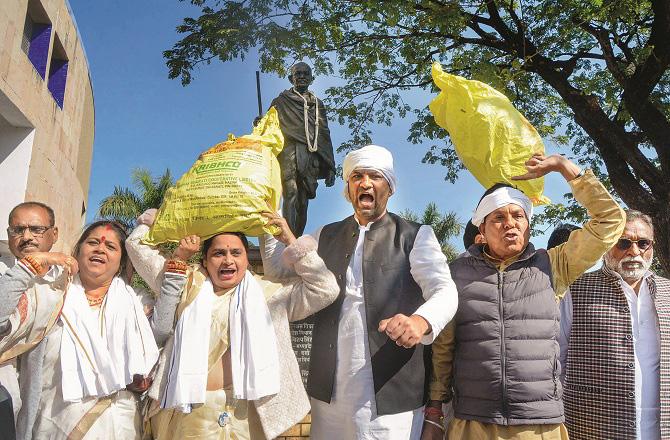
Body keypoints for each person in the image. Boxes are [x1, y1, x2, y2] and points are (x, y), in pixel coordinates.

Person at [423, 154, 625, 440]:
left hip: (539, 425)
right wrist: (434, 410)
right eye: (498, 218)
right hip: (473, 423)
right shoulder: (456, 272)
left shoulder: (553, 264)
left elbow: (611, 220)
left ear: (529, 224)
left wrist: (565, 168)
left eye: (518, 216)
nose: (510, 224)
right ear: (482, 228)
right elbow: (444, 346)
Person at [262, 144, 459, 439]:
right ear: (349, 188)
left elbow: (445, 290)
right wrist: (266, 222)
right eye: (357, 177)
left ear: (389, 187)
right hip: (328, 396)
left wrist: (420, 321)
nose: (365, 183)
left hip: (392, 399)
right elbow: (278, 270)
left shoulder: (414, 236)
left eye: (374, 176)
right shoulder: (323, 235)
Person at [125, 209, 339, 439]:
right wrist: (153, 222)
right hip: (188, 414)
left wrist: (290, 240)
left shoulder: (269, 295)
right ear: (205, 262)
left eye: (236, 253)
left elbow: (325, 289)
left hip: (245, 417)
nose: (228, 260)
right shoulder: (186, 284)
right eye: (218, 253)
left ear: (246, 259)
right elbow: (136, 245)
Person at [0, 220, 159, 439]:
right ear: (78, 250)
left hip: (121, 426)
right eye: (92, 242)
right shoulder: (48, 294)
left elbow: (160, 345)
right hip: (53, 424)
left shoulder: (139, 304)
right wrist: (29, 265)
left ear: (122, 263)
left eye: (111, 247)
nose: (100, 248)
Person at [559, 209, 670, 439]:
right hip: (592, 426)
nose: (634, 251)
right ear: (607, 244)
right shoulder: (575, 289)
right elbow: (556, 360)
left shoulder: (667, 291)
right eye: (623, 243)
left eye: (643, 243)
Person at [0, 202, 61, 425]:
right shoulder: (3, 273)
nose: (26, 236)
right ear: (9, 234)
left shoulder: (66, 281)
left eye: (36, 229)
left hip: (46, 407)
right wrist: (29, 266)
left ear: (54, 234)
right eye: (18, 230)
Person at [269, 61, 336, 236]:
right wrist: (260, 121)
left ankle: (296, 236)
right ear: (291, 78)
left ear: (311, 79)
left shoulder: (317, 103)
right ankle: (288, 237)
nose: (302, 77)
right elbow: (269, 124)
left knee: (303, 199)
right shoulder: (280, 101)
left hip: (310, 151)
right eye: (298, 74)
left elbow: (323, 131)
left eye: (306, 74)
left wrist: (330, 166)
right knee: (290, 191)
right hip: (288, 149)